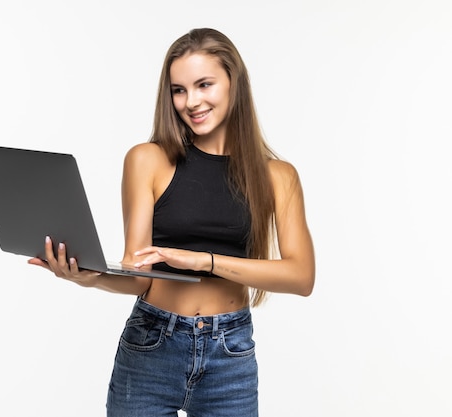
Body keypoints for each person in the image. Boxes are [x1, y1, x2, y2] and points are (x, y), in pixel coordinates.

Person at [28, 27, 315, 417]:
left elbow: (301, 277)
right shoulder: (147, 160)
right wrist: (88, 276)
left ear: (234, 82)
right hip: (151, 346)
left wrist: (203, 261)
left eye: (204, 85)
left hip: (229, 354)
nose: (190, 101)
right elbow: (140, 276)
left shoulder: (278, 176)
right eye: (179, 90)